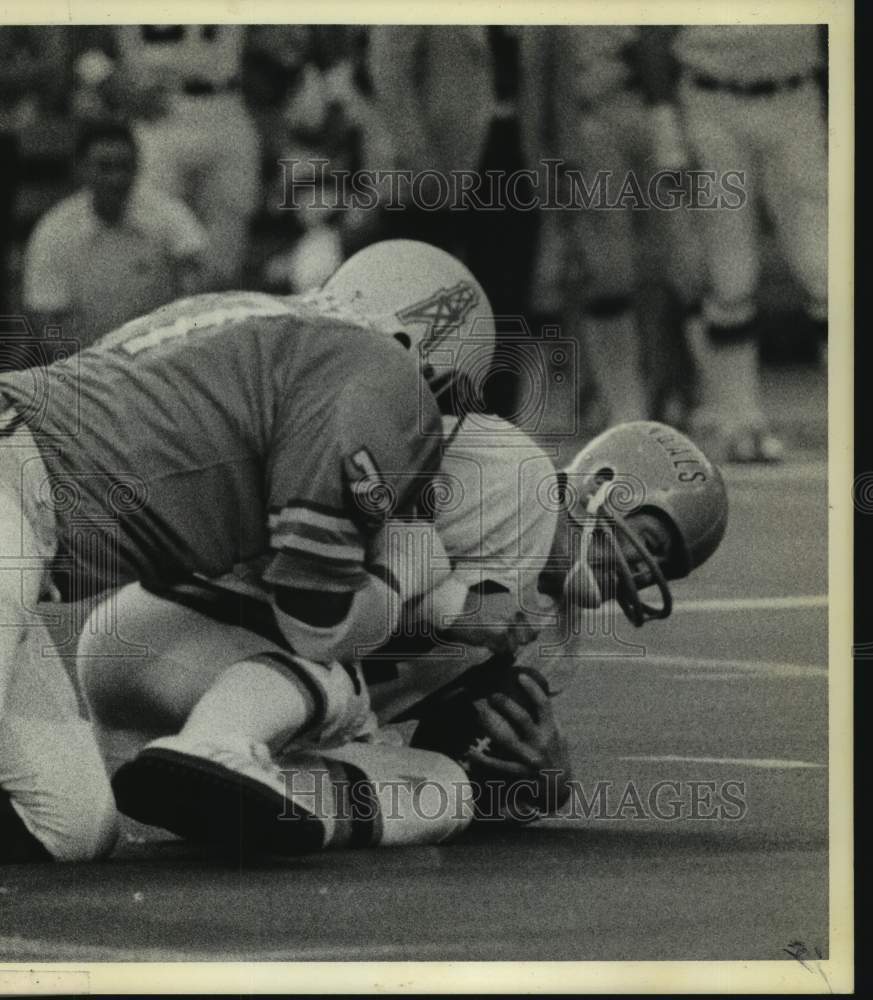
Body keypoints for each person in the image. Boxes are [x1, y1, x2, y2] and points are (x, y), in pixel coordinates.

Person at [0, 240, 533, 860]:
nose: (430, 430)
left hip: (34, 527)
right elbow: (314, 618)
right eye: (441, 404)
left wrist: (446, 602)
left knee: (71, 827)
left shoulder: (271, 328)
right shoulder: (378, 374)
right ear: (426, 357)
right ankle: (221, 747)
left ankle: (225, 750)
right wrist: (417, 572)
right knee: (334, 671)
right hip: (14, 491)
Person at [81, 417, 728, 852]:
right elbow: (333, 518)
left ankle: (274, 809)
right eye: (645, 543)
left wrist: (535, 781)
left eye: (661, 568)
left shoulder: (550, 640)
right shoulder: (501, 474)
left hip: (269, 708)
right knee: (337, 648)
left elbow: (454, 739)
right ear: (597, 489)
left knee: (446, 787)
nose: (640, 573)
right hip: (177, 629)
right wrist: (446, 604)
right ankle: (217, 747)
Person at [668, 24, 828, 462]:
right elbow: (652, 29)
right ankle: (739, 422)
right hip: (710, 99)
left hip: (796, 94)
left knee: (826, 266)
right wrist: (664, 124)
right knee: (729, 273)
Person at [22, 120, 208, 349]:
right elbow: (45, 319)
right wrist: (78, 372)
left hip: (159, 358)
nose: (117, 178)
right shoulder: (54, 231)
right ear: (80, 168)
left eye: (125, 166)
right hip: (84, 363)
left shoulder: (168, 214)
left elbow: (197, 286)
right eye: (105, 167)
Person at [109, 25, 261, 289]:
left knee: (226, 237)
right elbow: (81, 42)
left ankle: (218, 323)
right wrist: (109, 82)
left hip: (225, 103)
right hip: (158, 109)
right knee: (154, 226)